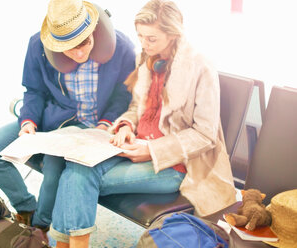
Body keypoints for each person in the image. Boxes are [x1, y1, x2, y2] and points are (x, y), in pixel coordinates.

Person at [48, 0, 237, 247]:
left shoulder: (200, 67)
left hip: (175, 165)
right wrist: (126, 125)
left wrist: (152, 149)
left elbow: (205, 135)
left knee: (77, 177)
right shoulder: (147, 59)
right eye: (140, 37)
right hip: (135, 147)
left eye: (151, 39)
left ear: (172, 34)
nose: (144, 45)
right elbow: (137, 107)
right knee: (77, 165)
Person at [0, 0, 135, 238]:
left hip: (97, 126)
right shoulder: (37, 46)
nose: (81, 54)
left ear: (93, 31)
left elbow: (124, 96)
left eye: (86, 44)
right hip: (54, 120)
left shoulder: (121, 47)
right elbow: (34, 91)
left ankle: (37, 231)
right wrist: (28, 122)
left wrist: (106, 124)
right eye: (72, 49)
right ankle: (26, 208)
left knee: (53, 167)